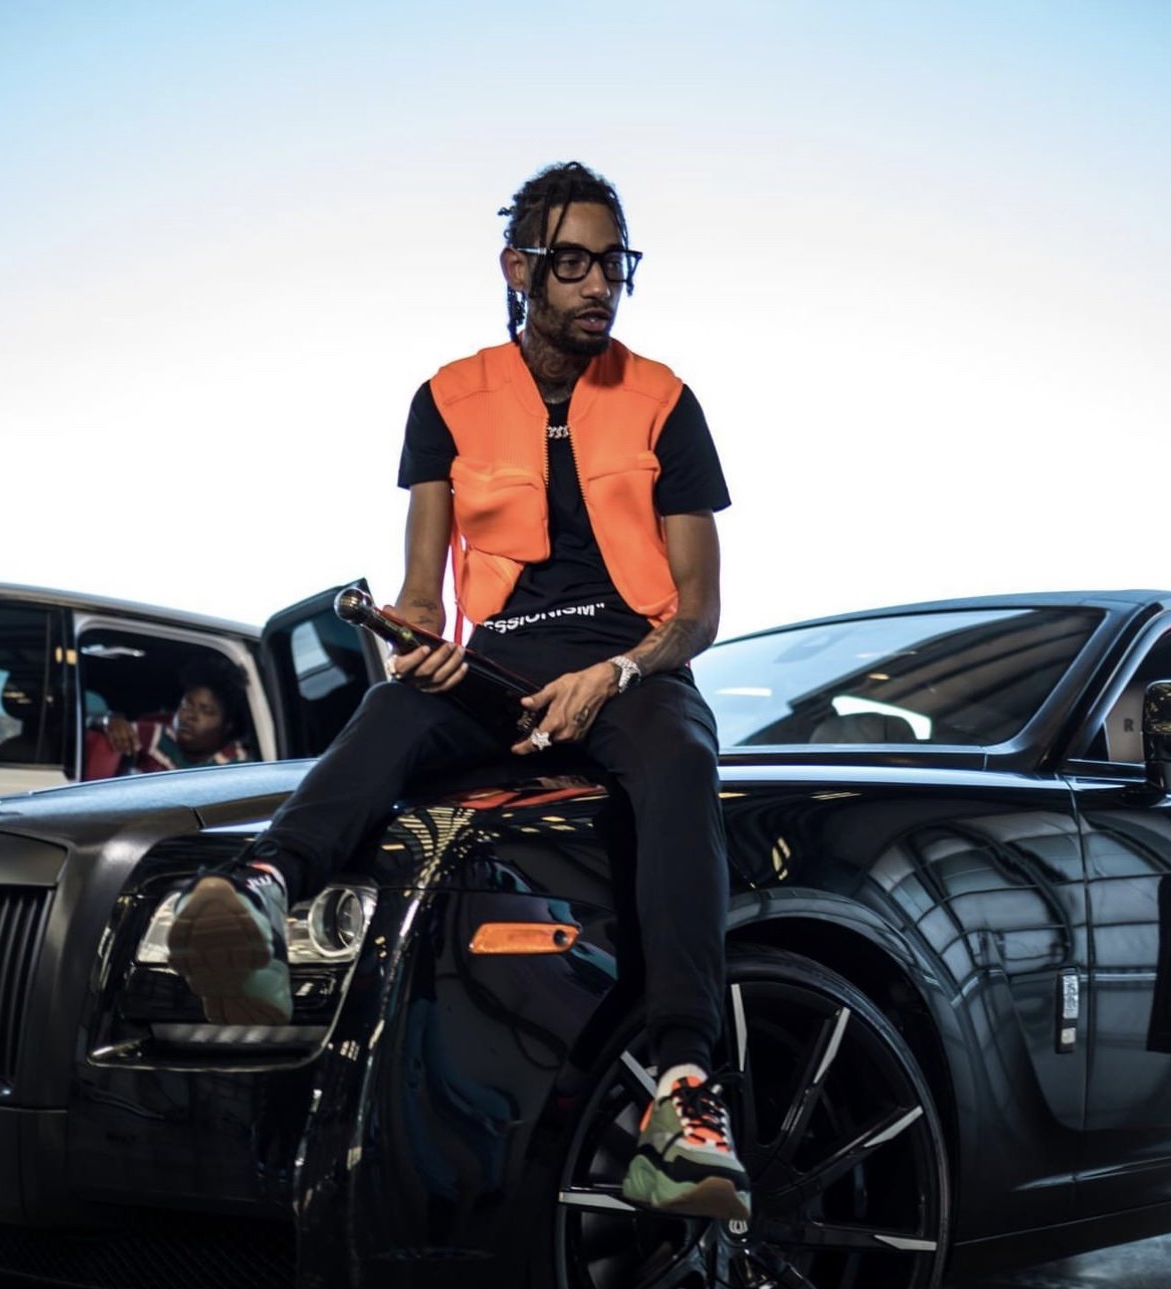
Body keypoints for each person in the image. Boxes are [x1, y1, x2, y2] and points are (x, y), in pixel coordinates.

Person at [163, 161, 749, 1222]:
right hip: (499, 664)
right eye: (572, 262)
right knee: (395, 708)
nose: (597, 286)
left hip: (632, 661)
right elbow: (422, 596)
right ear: (517, 267)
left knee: (681, 761)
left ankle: (684, 1091)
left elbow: (698, 611)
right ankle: (256, 892)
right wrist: (413, 644)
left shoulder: (664, 397)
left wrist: (613, 672)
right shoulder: (446, 396)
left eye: (614, 262)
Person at [86, 655, 253, 777]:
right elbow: (88, 726)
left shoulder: (237, 767)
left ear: (227, 725)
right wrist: (108, 720)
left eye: (206, 711)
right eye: (186, 704)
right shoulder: (154, 736)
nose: (190, 715)